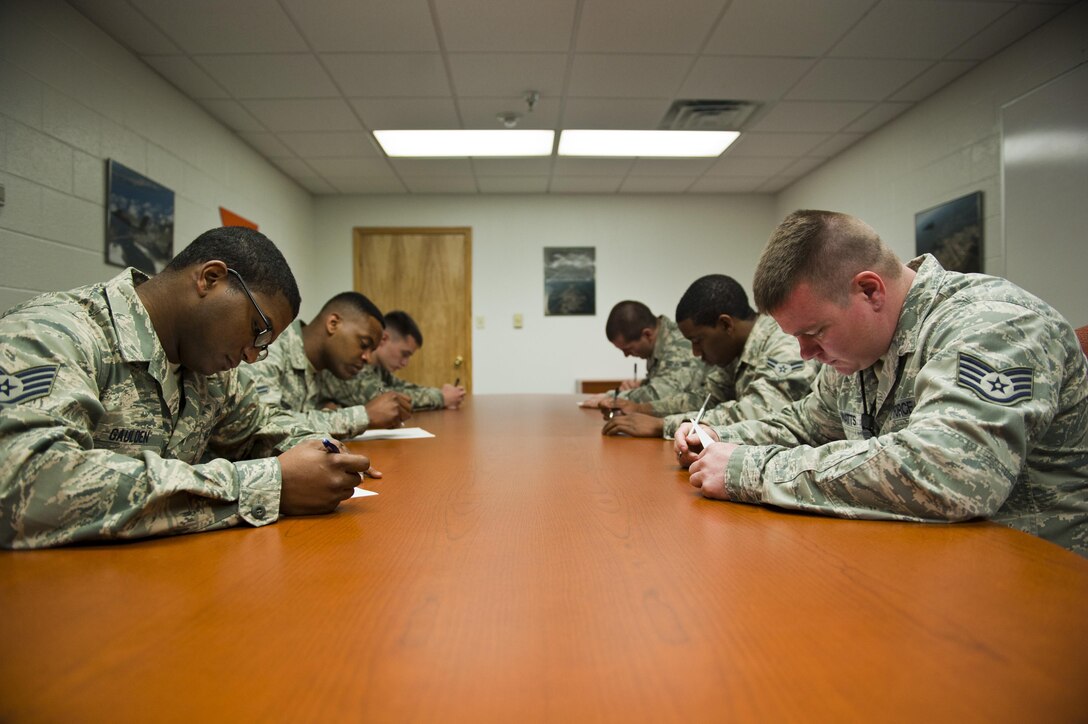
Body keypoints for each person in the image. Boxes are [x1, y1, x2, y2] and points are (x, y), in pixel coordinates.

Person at [677, 210, 1088, 556]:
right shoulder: (860, 351)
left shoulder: (993, 325)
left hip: (1037, 574)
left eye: (814, 332)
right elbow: (807, 423)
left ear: (870, 290)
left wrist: (750, 470)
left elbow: (950, 474)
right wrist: (717, 436)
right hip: (928, 556)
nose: (805, 353)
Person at [0, 226, 374, 550]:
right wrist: (263, 483)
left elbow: (260, 429)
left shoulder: (209, 371)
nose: (251, 355)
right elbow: (25, 485)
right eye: (257, 331)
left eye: (263, 346)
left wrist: (321, 452)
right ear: (210, 278)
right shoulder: (53, 334)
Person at [602, 274, 816, 438]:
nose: (695, 352)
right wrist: (643, 409)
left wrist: (663, 425)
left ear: (725, 324)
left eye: (697, 340)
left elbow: (759, 413)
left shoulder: (784, 344)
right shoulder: (735, 353)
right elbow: (705, 398)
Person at [246, 292, 412, 435]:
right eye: (364, 344)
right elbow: (263, 425)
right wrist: (364, 416)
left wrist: (328, 413)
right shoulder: (270, 349)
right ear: (333, 324)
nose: (368, 358)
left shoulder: (329, 368)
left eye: (372, 350)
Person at [320, 310, 466, 411]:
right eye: (404, 354)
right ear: (384, 339)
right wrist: (441, 397)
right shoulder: (353, 363)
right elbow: (383, 399)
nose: (405, 363)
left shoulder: (378, 368)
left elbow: (401, 387)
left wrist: (440, 392)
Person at [580, 300, 706, 407]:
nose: (626, 355)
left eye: (628, 349)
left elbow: (663, 395)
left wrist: (613, 398)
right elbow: (669, 381)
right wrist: (642, 385)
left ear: (647, 334)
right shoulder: (660, 342)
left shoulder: (677, 345)